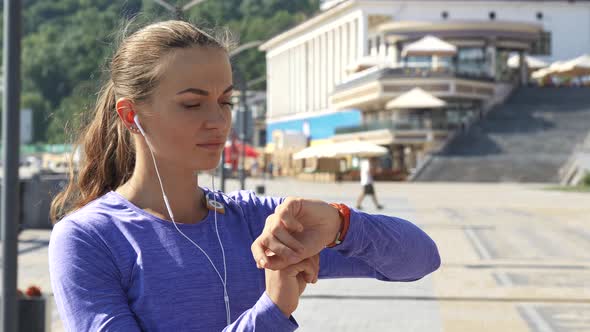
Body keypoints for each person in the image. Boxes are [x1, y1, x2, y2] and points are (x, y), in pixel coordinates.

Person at [48, 20, 440, 331]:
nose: (218, 121)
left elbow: (420, 259)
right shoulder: (89, 239)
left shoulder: (256, 221)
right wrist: (272, 311)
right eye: (192, 103)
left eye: (225, 101)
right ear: (131, 115)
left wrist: (341, 223)